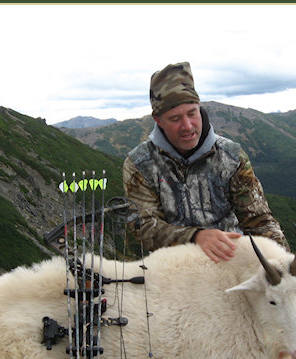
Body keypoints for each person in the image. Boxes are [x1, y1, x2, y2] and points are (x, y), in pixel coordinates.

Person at [123, 61, 287, 263]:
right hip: (171, 271)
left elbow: (259, 221)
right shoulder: (140, 164)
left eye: (192, 113)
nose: (187, 126)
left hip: (231, 263)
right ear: (158, 120)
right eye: (175, 118)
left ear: (199, 108)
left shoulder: (231, 157)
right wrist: (195, 237)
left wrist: (285, 265)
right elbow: (144, 227)